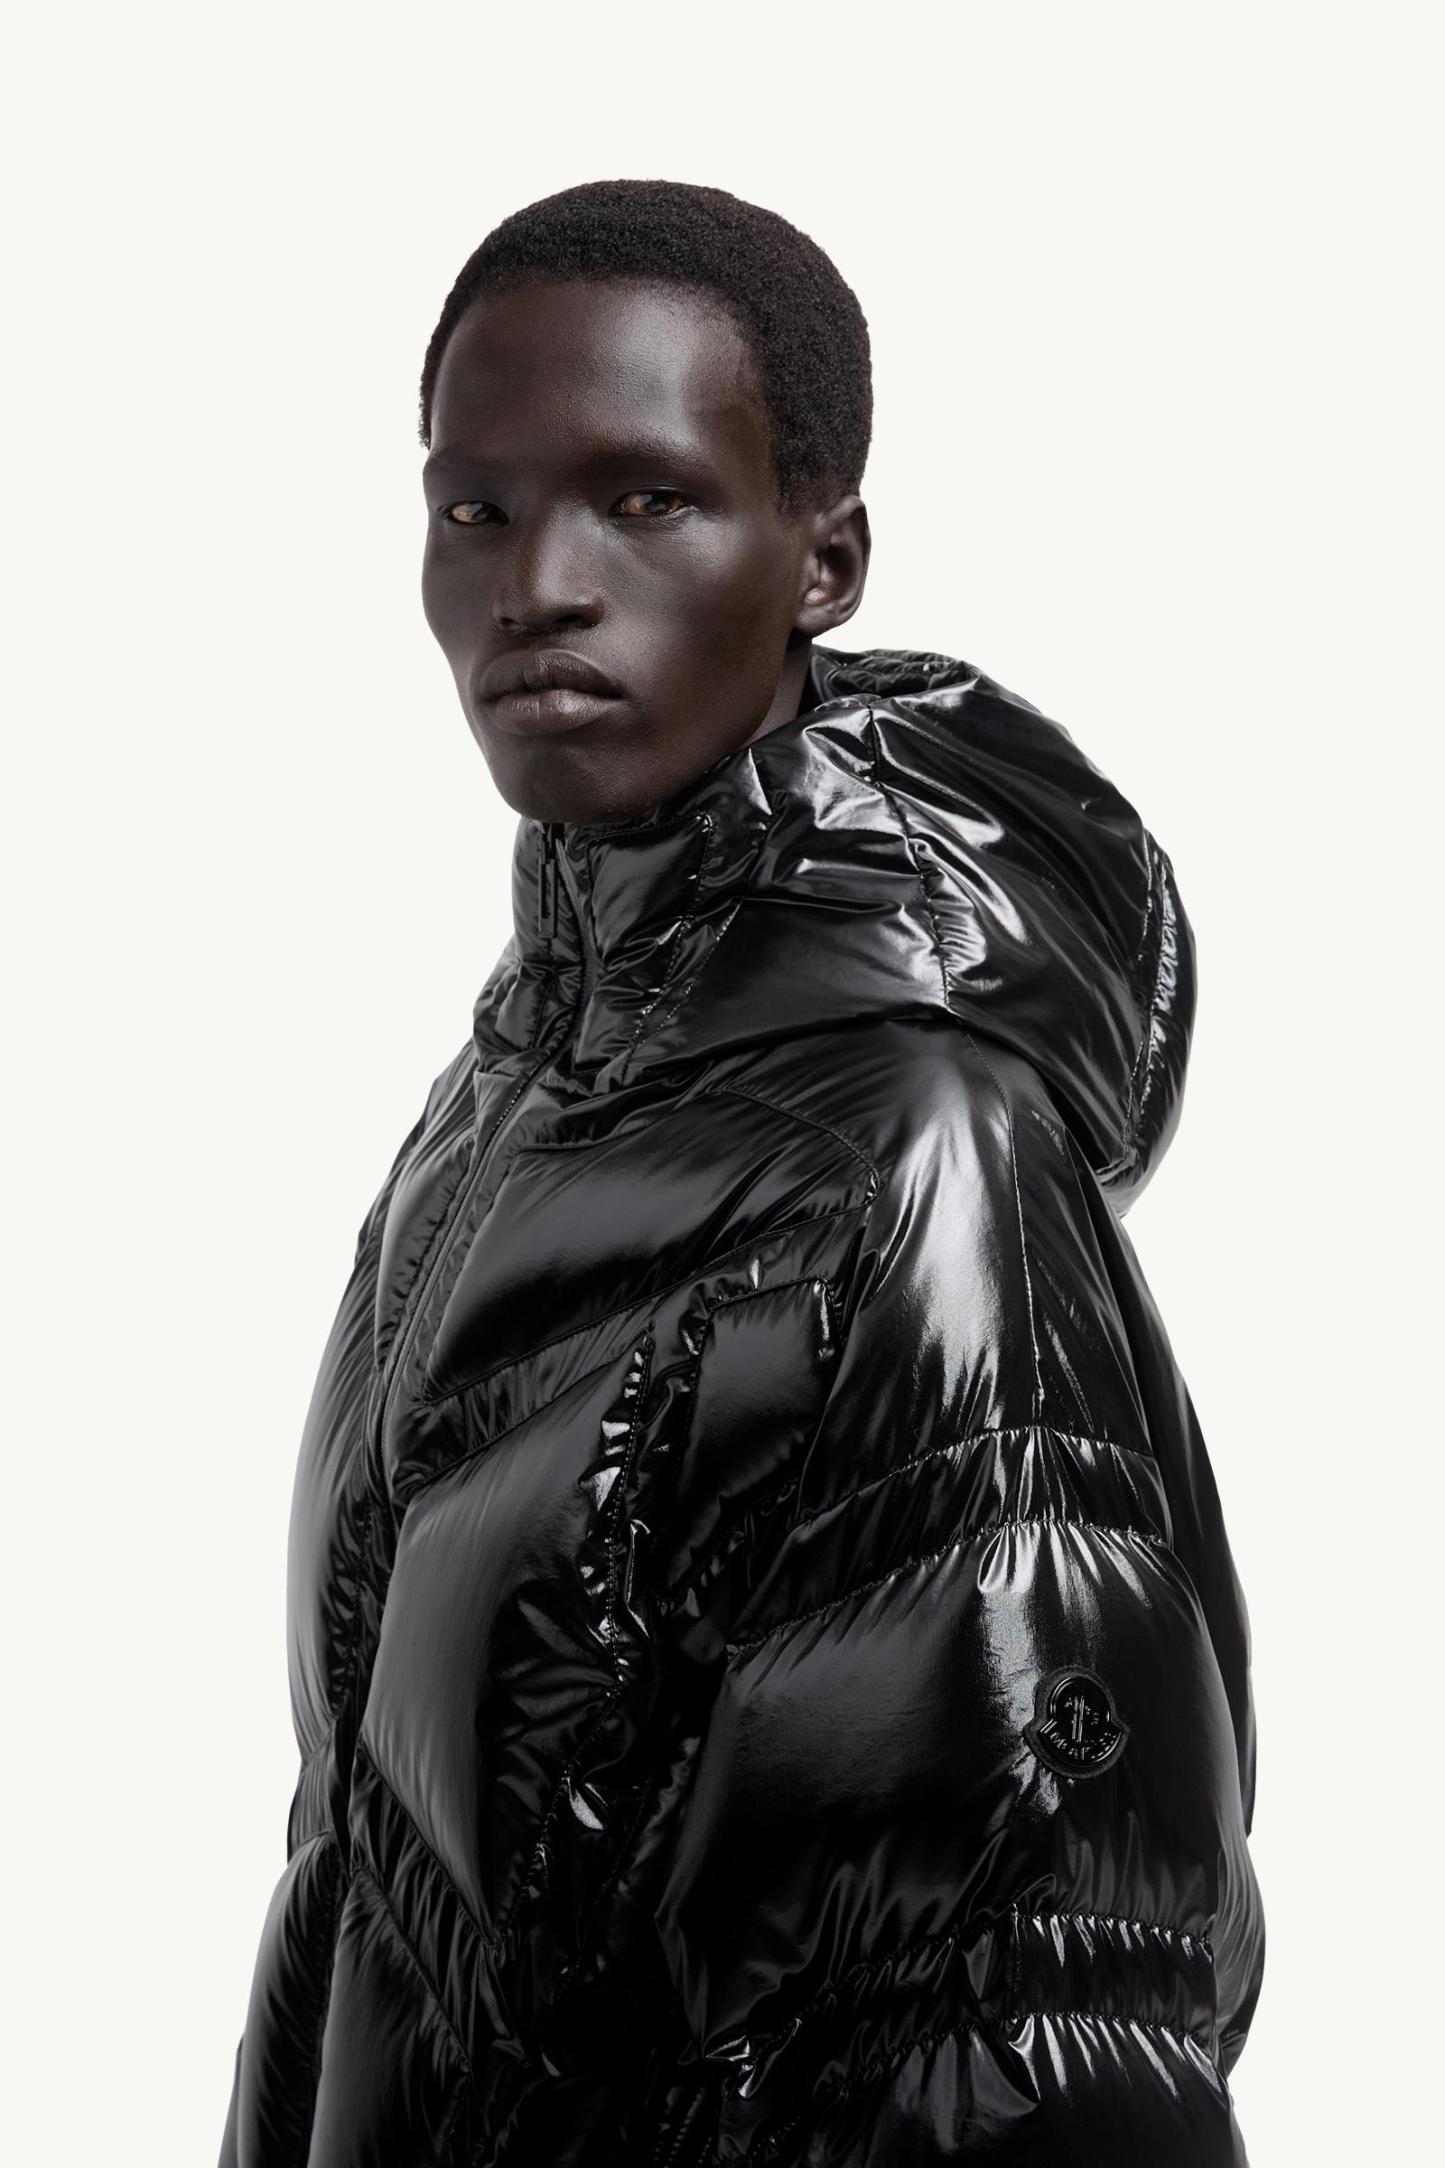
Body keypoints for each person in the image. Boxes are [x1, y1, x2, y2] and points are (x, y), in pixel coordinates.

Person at [218, 178, 1264, 2167]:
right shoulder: (508, 1103)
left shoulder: (920, 1166)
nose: (539, 582)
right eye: (475, 509)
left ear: (823, 558)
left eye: (645, 498)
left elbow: (1034, 2019)